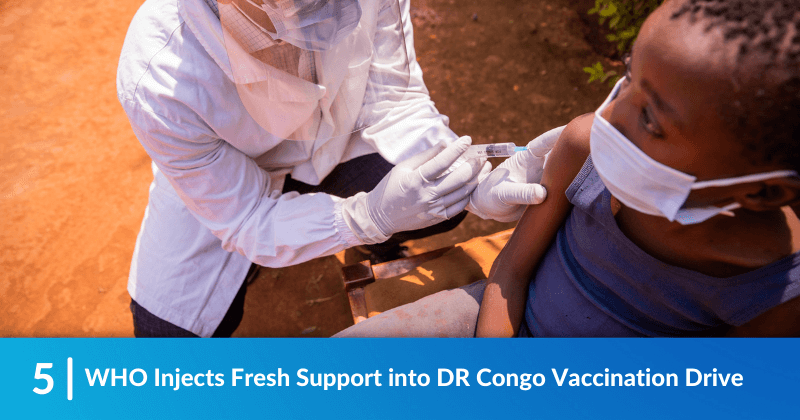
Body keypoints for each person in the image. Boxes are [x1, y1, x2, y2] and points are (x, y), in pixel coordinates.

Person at [337, 0, 800, 338]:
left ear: (762, 193)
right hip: (502, 320)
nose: (609, 116)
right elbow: (510, 272)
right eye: (629, 76)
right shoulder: (582, 146)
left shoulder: (776, 284)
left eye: (650, 119)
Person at [117, 0, 557, 337]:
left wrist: (473, 184)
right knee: (168, 342)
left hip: (337, 141)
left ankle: (377, 246)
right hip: (228, 181)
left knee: (440, 200)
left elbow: (396, 99)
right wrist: (367, 217)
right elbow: (244, 216)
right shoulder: (160, 76)